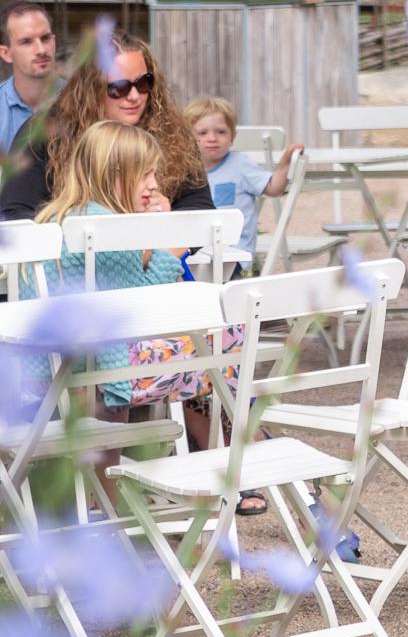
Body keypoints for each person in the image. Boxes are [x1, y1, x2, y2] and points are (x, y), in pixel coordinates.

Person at [35, 120, 256, 508]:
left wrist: (154, 229)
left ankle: (110, 500)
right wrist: (171, 247)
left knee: (216, 348)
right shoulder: (104, 230)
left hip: (72, 364)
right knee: (228, 340)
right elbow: (140, 305)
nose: (154, 184)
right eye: (146, 174)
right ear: (114, 175)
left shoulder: (74, 216)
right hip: (105, 367)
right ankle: (227, 468)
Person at [1, 32, 212, 221]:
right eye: (119, 87)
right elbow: (16, 214)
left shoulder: (173, 131)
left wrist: (167, 220)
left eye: (143, 83)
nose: (134, 96)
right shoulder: (45, 133)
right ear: (90, 89)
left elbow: (200, 209)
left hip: (157, 257)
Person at [185, 97, 303, 257]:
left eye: (221, 132)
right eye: (202, 133)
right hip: (196, 251)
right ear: (188, 138)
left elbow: (274, 188)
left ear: (232, 136)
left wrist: (285, 162)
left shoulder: (240, 165)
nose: (212, 138)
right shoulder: (186, 172)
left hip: (234, 252)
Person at [0, 1, 59, 150]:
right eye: (26, 42)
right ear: (6, 53)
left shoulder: (83, 101)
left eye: (45, 38)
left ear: (54, 42)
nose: (41, 50)